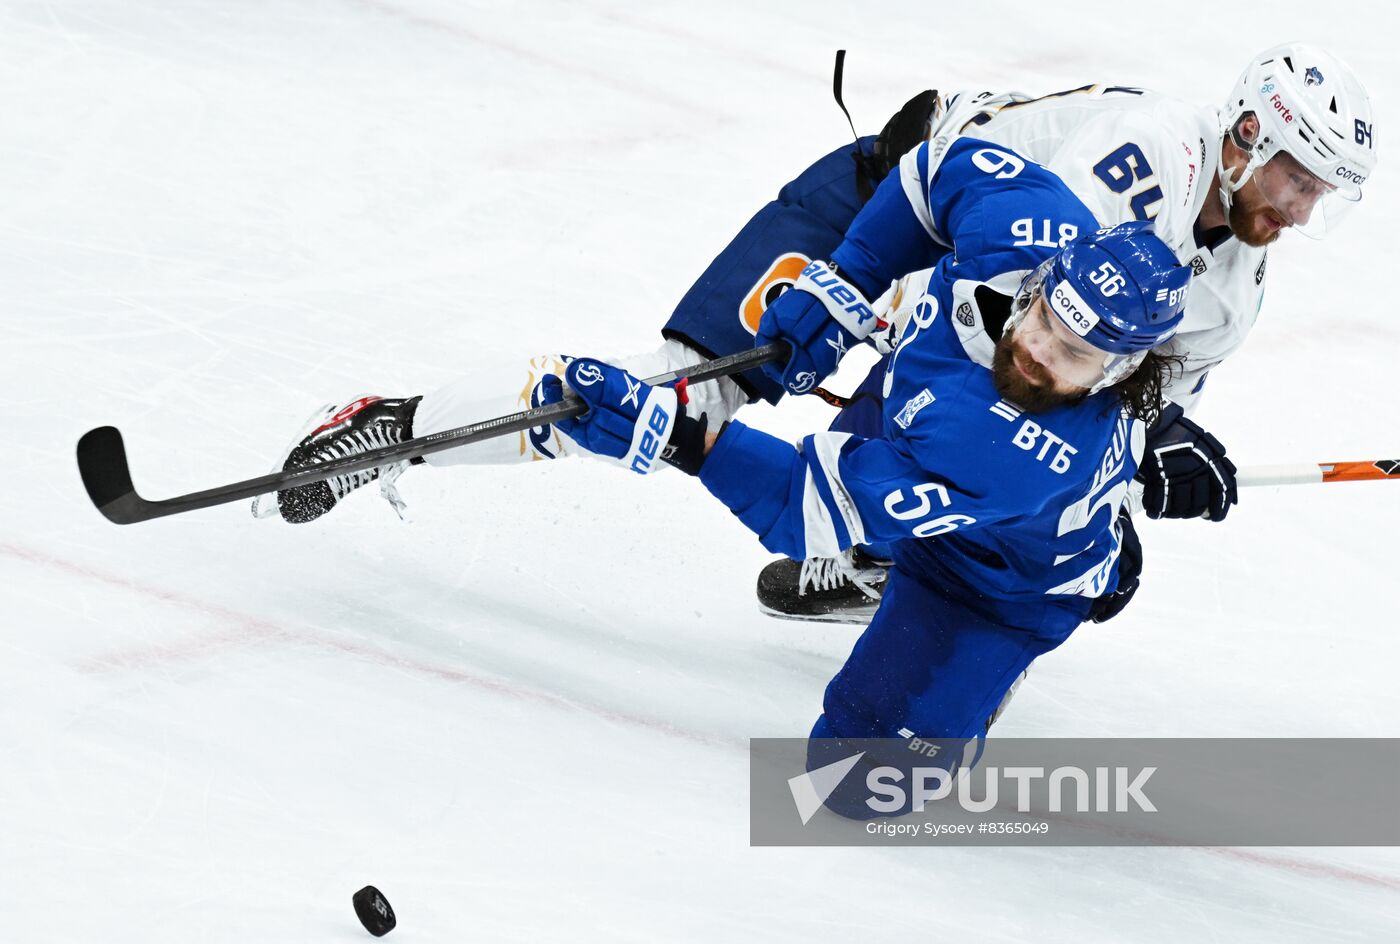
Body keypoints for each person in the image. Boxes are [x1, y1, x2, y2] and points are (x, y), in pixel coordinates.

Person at [263, 44, 1375, 627]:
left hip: (970, 295)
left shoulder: (1236, 287)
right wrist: (848, 309)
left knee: (1003, 492)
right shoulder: (1139, 159)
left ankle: (870, 552)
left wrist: (1147, 447)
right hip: (884, 214)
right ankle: (392, 429)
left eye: (1323, 191)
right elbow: (983, 282)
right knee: (682, 398)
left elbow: (1099, 391)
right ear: (1243, 133)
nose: (1299, 207)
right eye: (1295, 173)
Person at [520, 137, 1191, 817]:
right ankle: (901, 537)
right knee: (894, 459)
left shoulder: (1013, 451)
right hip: (915, 425)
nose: (1037, 350)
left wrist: (672, 435)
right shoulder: (1028, 227)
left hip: (994, 581)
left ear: (1121, 372)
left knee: (856, 785)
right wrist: (847, 275)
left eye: (1074, 354)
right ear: (1045, 276)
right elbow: (936, 169)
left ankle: (984, 668)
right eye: (1046, 317)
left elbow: (799, 507)